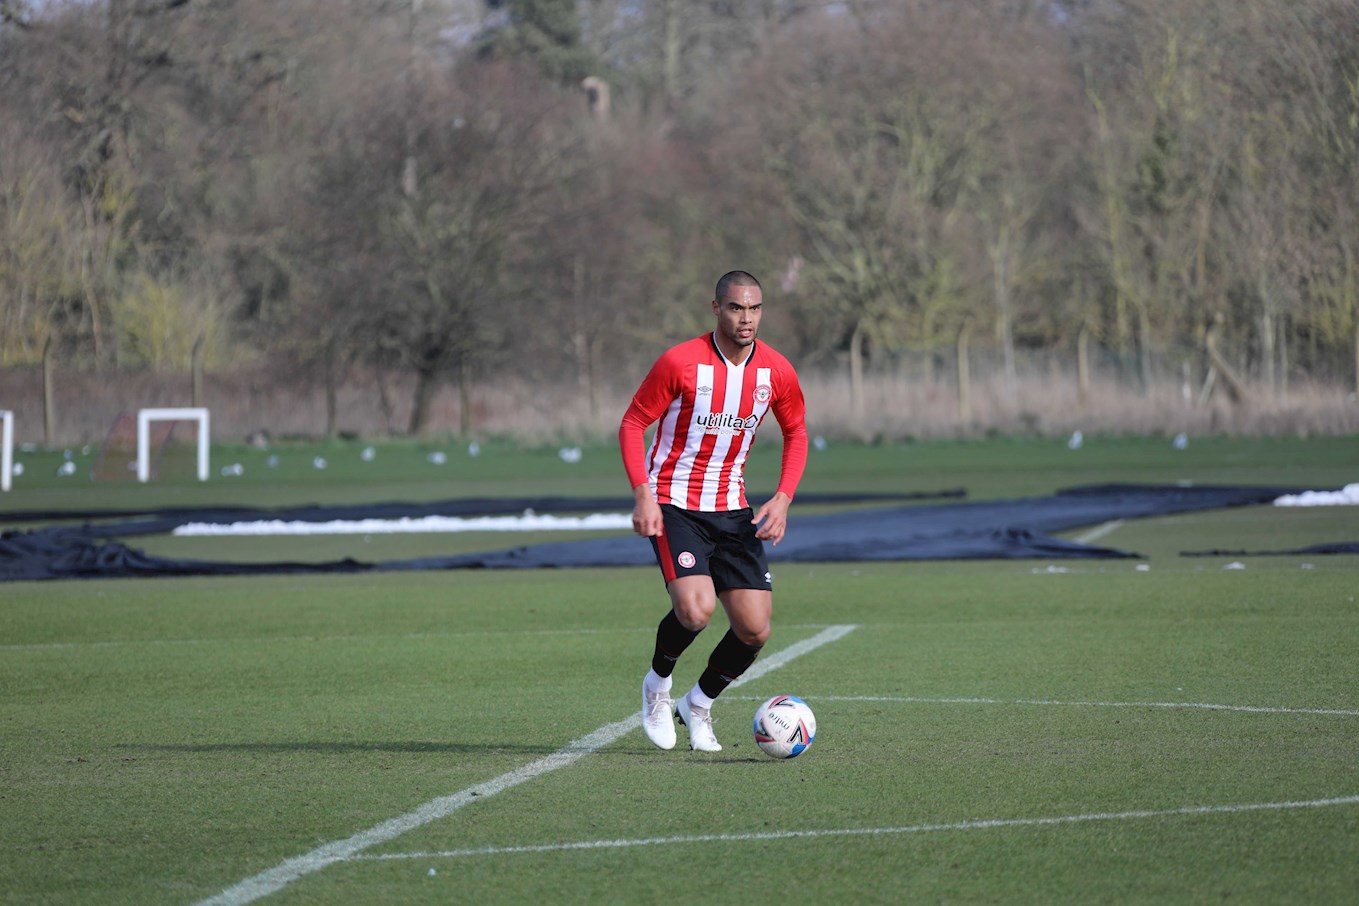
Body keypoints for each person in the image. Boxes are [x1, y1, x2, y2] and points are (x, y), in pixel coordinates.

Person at [618, 270, 809, 752]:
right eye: (736, 308)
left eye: (755, 308)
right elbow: (633, 422)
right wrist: (643, 493)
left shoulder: (777, 371)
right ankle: (657, 686)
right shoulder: (680, 362)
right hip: (675, 502)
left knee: (754, 629)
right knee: (696, 611)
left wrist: (783, 497)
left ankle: (698, 703)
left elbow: (797, 433)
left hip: (732, 509)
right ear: (717, 308)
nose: (746, 318)